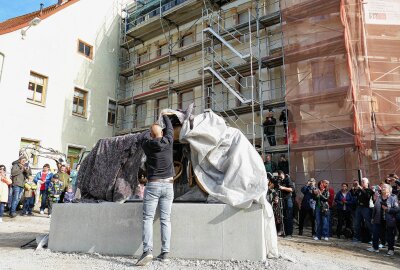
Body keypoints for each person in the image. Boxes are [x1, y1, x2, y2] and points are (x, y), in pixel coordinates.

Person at [136, 113, 175, 266]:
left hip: (153, 185)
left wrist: (150, 131)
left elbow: (143, 136)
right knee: (166, 219)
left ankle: (147, 251)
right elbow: (170, 128)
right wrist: (165, 116)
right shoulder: (169, 140)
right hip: (168, 185)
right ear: (163, 133)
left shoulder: (147, 145)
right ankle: (165, 253)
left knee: (147, 218)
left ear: (151, 135)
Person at [367, 184, 399, 256]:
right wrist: (372, 217)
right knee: (375, 233)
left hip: (389, 219)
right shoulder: (379, 197)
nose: (383, 188)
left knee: (389, 235)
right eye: (382, 187)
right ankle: (375, 248)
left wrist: (388, 209)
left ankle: (390, 250)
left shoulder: (393, 197)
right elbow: (375, 208)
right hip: (378, 218)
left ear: (389, 189)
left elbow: (397, 209)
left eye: (385, 187)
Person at [353, 177, 374, 243]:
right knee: (357, 223)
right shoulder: (360, 190)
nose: (362, 183)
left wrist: (361, 189)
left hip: (366, 208)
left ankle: (372, 238)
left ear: (367, 183)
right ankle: (357, 238)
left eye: (363, 182)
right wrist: (355, 188)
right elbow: (353, 194)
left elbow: (367, 196)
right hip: (359, 207)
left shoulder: (369, 190)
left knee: (368, 223)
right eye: (361, 182)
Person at [277, 170, 294, 237]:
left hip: (288, 199)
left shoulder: (288, 179)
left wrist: (283, 187)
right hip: (282, 200)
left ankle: (289, 233)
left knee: (288, 216)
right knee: (284, 216)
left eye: (279, 176)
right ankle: (285, 232)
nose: (279, 177)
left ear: (282, 174)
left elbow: (291, 189)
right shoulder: (280, 181)